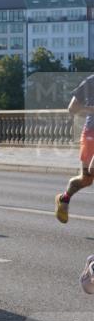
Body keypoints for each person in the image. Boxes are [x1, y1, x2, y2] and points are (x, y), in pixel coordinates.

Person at [56, 73, 94, 223]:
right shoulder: (91, 81)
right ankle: (64, 198)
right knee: (86, 179)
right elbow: (72, 108)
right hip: (90, 133)